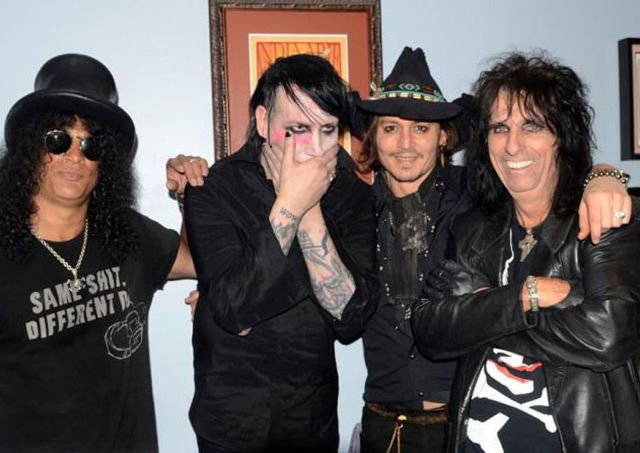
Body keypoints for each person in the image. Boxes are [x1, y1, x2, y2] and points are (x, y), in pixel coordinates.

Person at [354, 47, 633, 453]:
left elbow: (607, 333)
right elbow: (432, 328)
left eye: (532, 126)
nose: (513, 145)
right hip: (444, 431)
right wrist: (536, 294)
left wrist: (605, 175)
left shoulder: (595, 218)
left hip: (559, 436)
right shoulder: (474, 226)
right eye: (500, 128)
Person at [0, 53, 199, 452]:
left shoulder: (128, 235)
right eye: (58, 140)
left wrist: (188, 197)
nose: (75, 156)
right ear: (31, 149)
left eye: (90, 146)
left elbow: (196, 261)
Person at [182, 54, 379, 452]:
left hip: (312, 425)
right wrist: (290, 201)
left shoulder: (353, 196)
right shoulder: (213, 188)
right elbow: (235, 309)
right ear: (262, 121)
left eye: (328, 130)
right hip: (229, 427)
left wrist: (309, 210)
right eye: (297, 129)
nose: (315, 148)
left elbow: (349, 320)